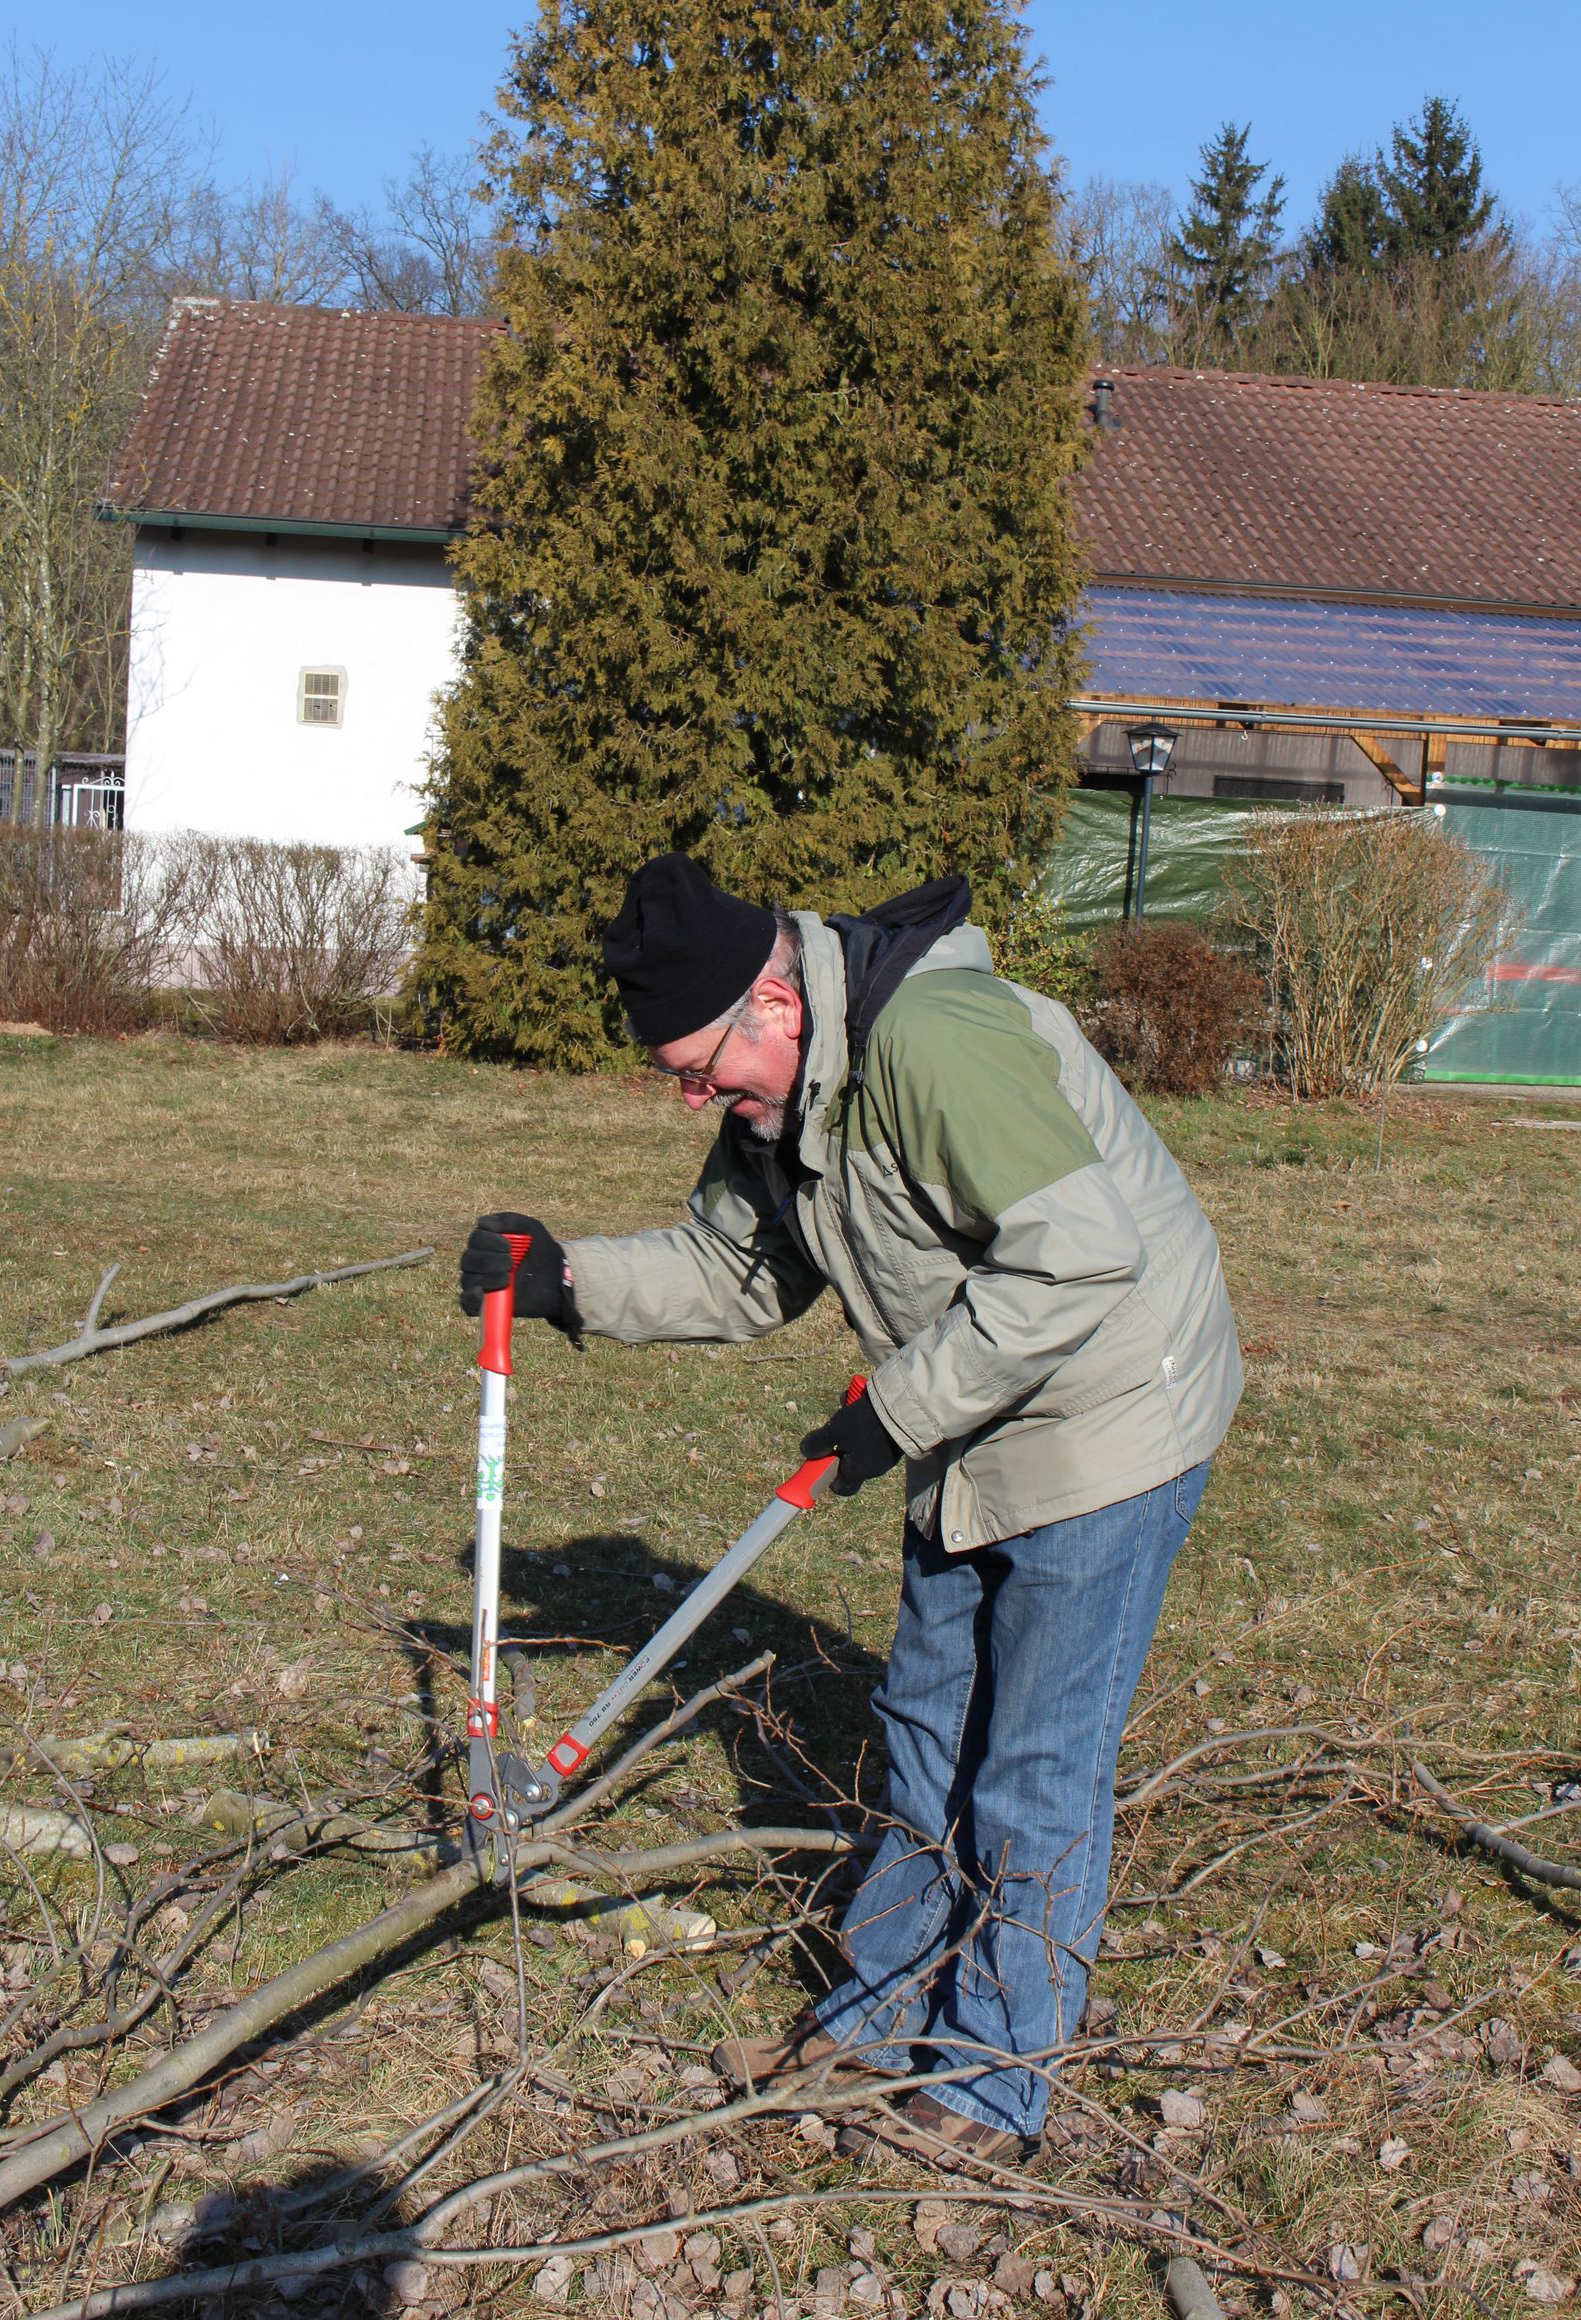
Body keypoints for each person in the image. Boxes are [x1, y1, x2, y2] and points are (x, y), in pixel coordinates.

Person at [460, 852, 1241, 2165]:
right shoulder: (783, 1099)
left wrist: (899, 1407)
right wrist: (570, 1279)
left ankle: (996, 2077)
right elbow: (734, 1267)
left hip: (1114, 1412)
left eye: (705, 1069)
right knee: (925, 1715)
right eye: (684, 1084)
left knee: (1034, 1758)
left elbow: (1083, 1253)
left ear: (775, 1001)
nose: (704, 1099)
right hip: (972, 1410)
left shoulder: (932, 1045)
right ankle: (880, 2010)